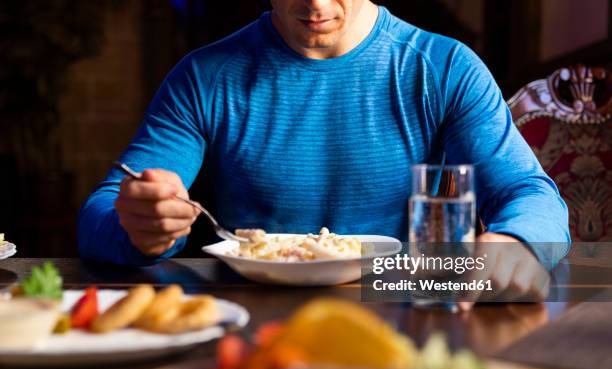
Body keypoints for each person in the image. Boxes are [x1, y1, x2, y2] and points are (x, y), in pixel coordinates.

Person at [78, 0, 570, 305]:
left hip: (403, 311)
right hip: (248, 317)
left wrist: (518, 242)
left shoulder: (443, 68)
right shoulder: (204, 76)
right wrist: (137, 224)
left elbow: (530, 195)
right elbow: (98, 214)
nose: (315, 3)